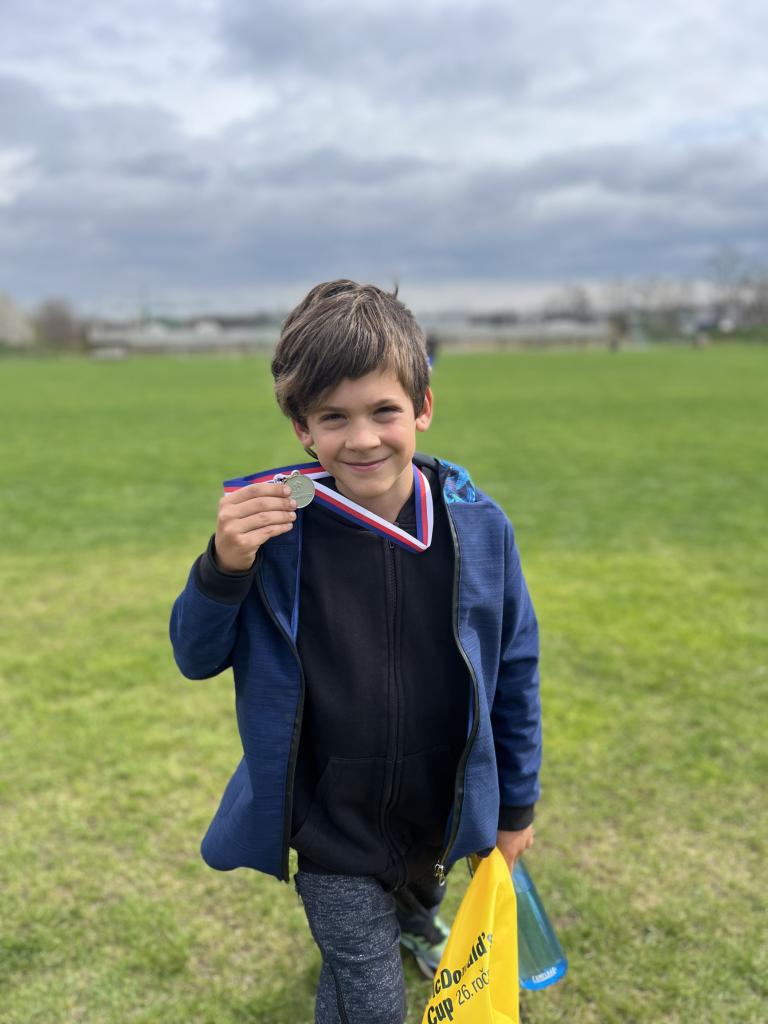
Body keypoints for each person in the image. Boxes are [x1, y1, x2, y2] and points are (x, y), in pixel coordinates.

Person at [169, 280, 541, 1024]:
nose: (363, 439)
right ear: (303, 428)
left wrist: (516, 805)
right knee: (368, 998)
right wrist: (223, 566)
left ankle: (413, 917)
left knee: (408, 902)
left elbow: (514, 673)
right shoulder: (273, 531)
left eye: (383, 411)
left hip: (436, 810)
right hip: (330, 820)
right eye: (334, 417)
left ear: (423, 406)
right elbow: (195, 655)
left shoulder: (479, 527)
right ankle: (387, 937)